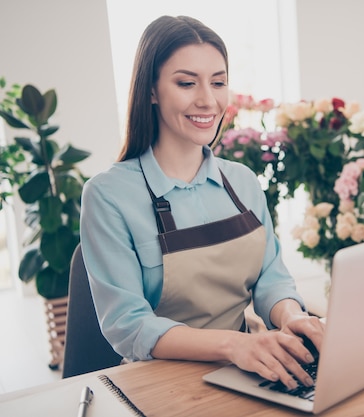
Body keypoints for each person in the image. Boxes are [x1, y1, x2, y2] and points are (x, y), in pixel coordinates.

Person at [80, 15, 324, 390]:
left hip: (249, 369)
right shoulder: (107, 195)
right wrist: (236, 345)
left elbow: (271, 279)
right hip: (159, 381)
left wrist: (291, 316)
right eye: (186, 83)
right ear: (151, 90)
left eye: (219, 82)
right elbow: (129, 325)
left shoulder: (242, 181)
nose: (208, 100)